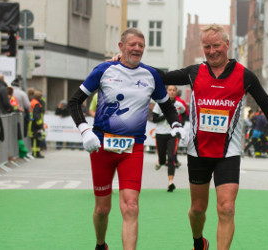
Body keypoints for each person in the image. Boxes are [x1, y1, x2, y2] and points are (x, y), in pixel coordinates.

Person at [160, 24, 268, 250]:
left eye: (216, 45)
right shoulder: (194, 72)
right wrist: (127, 63)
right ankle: (199, 241)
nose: (212, 51)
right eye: (207, 47)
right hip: (198, 152)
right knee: (197, 209)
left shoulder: (244, 75)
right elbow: (162, 76)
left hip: (228, 153)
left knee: (227, 207)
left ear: (227, 45)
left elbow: (267, 106)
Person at [67, 28, 184, 250]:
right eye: (133, 44)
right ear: (121, 47)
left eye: (141, 45)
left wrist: (176, 124)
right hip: (102, 146)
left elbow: (167, 105)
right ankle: (101, 244)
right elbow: (75, 101)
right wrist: (84, 130)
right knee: (102, 209)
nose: (137, 48)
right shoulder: (104, 70)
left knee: (131, 206)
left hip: (133, 148)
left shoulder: (150, 75)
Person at [152, 85, 186, 192]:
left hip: (173, 134)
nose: (171, 92)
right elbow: (154, 119)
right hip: (160, 134)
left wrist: (181, 125)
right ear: (166, 91)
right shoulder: (159, 104)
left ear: (176, 92)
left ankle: (170, 182)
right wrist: (167, 115)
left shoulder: (179, 105)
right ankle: (160, 161)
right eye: (169, 90)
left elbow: (184, 114)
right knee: (163, 160)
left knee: (171, 157)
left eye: (173, 90)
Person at [29, 90, 45, 158]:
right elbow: (37, 114)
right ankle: (37, 153)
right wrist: (40, 124)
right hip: (36, 123)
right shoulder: (37, 104)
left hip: (32, 122)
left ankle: (34, 153)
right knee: (37, 138)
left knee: (33, 138)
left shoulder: (32, 102)